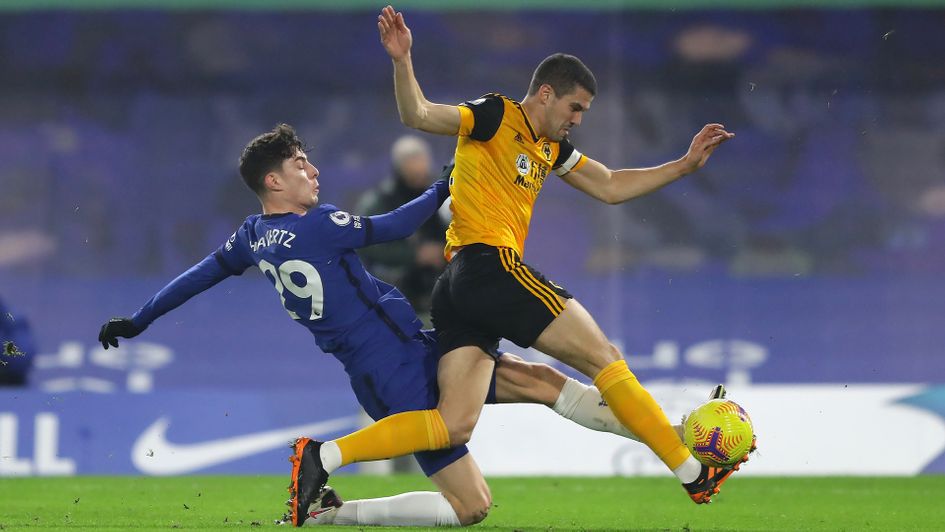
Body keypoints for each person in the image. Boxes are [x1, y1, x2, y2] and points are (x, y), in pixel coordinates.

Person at [97, 124, 690, 528]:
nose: (313, 171)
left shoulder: (252, 237)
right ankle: (330, 484)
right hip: (395, 368)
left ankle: (674, 435)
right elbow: (395, 227)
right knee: (471, 507)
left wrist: (139, 319)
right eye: (300, 165)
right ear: (273, 182)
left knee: (539, 381)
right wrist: (443, 186)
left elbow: (198, 276)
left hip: (404, 352)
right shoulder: (318, 225)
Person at [342, 4, 742, 507]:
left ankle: (325, 462)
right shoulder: (495, 115)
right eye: (575, 108)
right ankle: (690, 470)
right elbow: (418, 114)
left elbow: (611, 185)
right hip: (488, 265)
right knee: (603, 357)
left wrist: (682, 166)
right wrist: (402, 61)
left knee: (454, 423)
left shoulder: (551, 148)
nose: (577, 120)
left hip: (457, 288)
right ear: (546, 94)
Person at [355, 135, 448, 322]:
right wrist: (414, 255)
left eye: (422, 168)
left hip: (439, 289)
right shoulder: (380, 201)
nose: (420, 175)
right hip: (394, 292)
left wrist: (442, 251)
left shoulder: (440, 197)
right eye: (413, 172)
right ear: (400, 169)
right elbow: (365, 242)